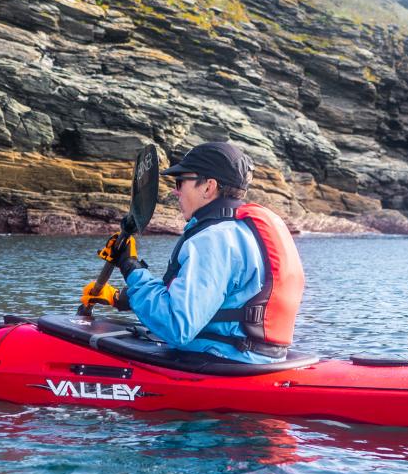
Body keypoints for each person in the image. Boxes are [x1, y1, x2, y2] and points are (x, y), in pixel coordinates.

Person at [104, 141, 305, 364]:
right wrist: (122, 298)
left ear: (209, 187)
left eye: (181, 182)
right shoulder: (242, 229)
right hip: (257, 357)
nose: (176, 191)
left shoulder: (213, 239)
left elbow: (177, 326)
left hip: (225, 360)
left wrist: (131, 268)